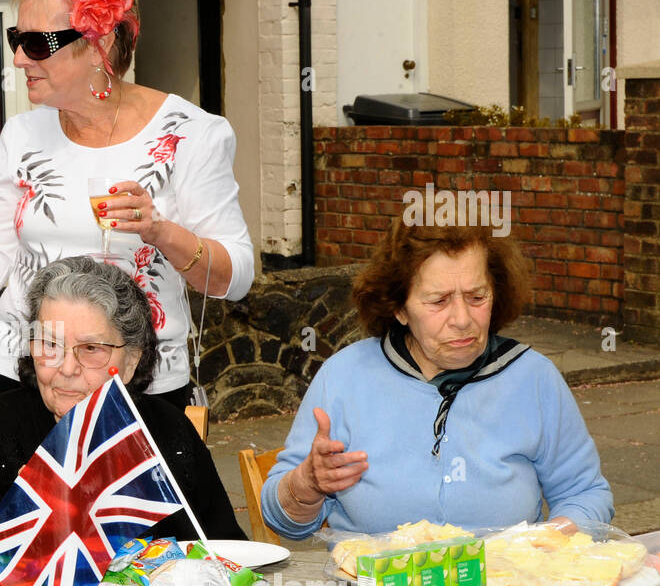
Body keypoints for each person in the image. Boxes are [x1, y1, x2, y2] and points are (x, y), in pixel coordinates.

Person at [0, 0, 254, 408]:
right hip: (27, 382)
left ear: (97, 45)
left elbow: (233, 279)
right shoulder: (22, 135)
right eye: (15, 38)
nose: (19, 59)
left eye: (38, 43)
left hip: (139, 389)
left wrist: (160, 231)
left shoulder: (192, 135)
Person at [261, 219, 613, 541]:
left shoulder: (533, 379)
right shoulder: (345, 376)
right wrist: (307, 483)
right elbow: (284, 523)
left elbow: (586, 494)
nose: (462, 319)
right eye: (438, 301)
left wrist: (547, 544)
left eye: (477, 297)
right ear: (399, 308)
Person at [0, 256, 246, 586]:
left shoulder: (164, 431)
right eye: (50, 344)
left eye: (91, 349)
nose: (67, 368)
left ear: (132, 360)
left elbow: (227, 553)